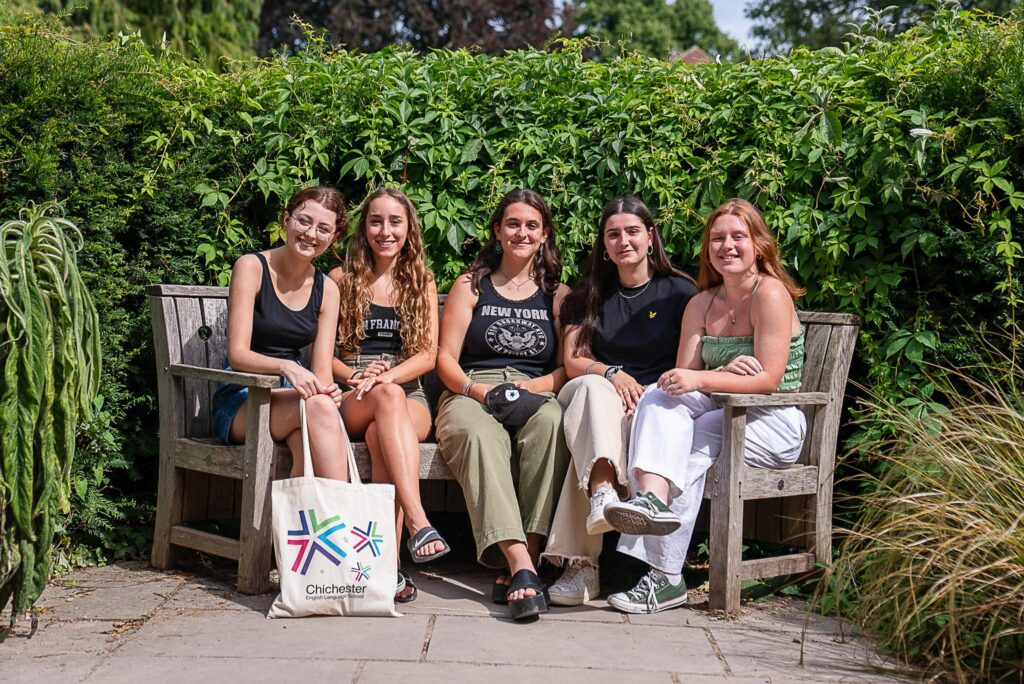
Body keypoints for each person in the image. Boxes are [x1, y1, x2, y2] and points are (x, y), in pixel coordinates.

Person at [602, 198, 807, 614]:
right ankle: (651, 502)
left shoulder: (770, 294)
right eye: (717, 239)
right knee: (658, 396)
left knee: (688, 450)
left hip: (773, 421)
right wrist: (721, 372)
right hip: (721, 414)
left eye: (737, 237)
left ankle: (665, 578)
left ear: (759, 245)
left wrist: (707, 378)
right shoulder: (701, 303)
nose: (726, 246)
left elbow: (766, 380)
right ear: (707, 249)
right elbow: (681, 380)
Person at [542, 197, 697, 606]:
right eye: (613, 234)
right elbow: (573, 361)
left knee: (592, 440)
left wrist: (643, 398)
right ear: (604, 245)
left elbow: (687, 366)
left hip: (651, 403)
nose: (623, 241)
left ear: (650, 236)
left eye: (632, 232)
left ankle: (582, 563)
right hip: (595, 391)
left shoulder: (680, 293)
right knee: (592, 395)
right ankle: (603, 494)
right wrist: (612, 374)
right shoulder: (588, 294)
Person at [434, 188, 571, 620]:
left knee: (553, 424)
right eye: (512, 224)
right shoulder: (470, 285)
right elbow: (445, 359)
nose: (521, 233)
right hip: (473, 389)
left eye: (532, 226)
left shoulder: (557, 293)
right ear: (497, 230)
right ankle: (521, 565)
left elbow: (567, 367)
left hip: (535, 388)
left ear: (545, 234)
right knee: (477, 433)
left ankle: (524, 559)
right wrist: (479, 391)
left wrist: (530, 389)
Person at [329, 188, 450, 604]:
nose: (385, 231)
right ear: (364, 228)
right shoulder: (340, 279)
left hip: (407, 395)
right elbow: (323, 356)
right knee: (385, 402)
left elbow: (428, 355)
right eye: (376, 221)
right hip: (354, 393)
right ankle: (417, 523)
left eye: (395, 222)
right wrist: (358, 375)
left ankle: (386, 568)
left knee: (383, 431)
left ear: (409, 228)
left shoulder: (421, 280)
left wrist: (389, 376)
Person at [211, 185, 350, 482]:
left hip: (296, 398)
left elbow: (322, 372)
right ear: (286, 219)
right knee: (319, 411)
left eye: (323, 228)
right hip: (243, 396)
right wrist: (286, 366)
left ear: (334, 237)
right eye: (304, 221)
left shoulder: (327, 289)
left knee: (306, 447)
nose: (311, 234)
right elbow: (237, 355)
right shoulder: (252, 267)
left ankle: (304, 515)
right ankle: (344, 510)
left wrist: (330, 391)